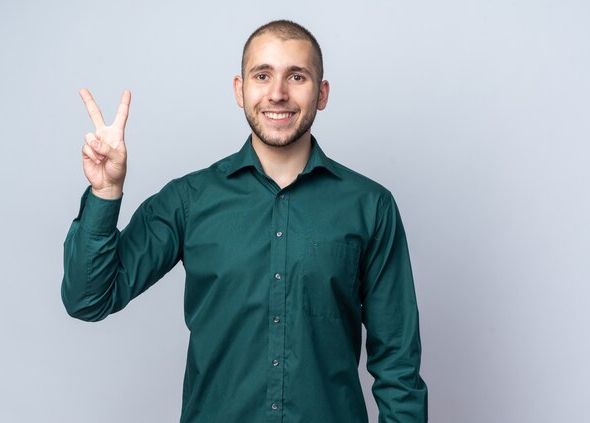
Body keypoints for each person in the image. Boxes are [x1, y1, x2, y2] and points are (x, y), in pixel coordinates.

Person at [62, 19, 427, 423]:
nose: (277, 93)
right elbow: (88, 299)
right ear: (240, 90)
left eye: (297, 76)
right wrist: (105, 192)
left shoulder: (370, 206)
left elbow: (398, 364)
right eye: (262, 75)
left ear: (321, 94)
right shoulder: (189, 201)